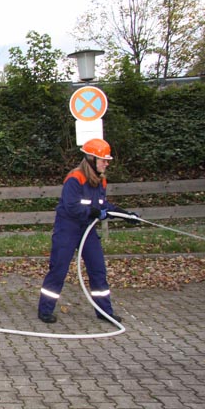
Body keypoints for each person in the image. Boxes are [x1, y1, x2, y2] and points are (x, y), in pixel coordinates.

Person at [37, 138, 139, 324]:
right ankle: (45, 310)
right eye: (103, 160)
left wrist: (125, 215)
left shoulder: (101, 180)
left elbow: (103, 205)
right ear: (91, 159)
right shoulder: (75, 179)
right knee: (59, 269)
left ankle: (104, 311)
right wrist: (93, 212)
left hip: (88, 230)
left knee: (98, 270)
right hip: (68, 229)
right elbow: (71, 206)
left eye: (107, 160)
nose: (107, 163)